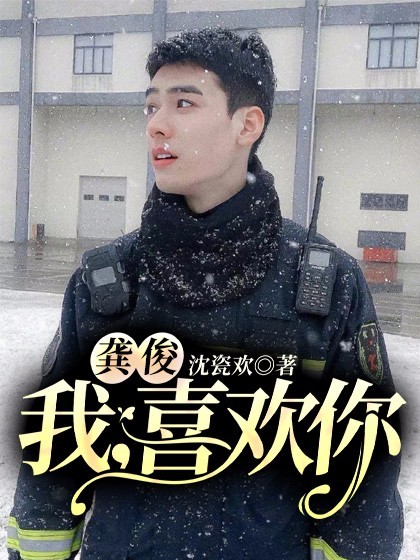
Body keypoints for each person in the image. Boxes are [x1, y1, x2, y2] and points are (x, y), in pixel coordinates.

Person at [8, 28, 403, 560]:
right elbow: (53, 457)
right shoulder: (106, 282)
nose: (157, 125)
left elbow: (362, 477)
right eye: (151, 106)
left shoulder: (324, 286)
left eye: (184, 103)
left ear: (248, 124)